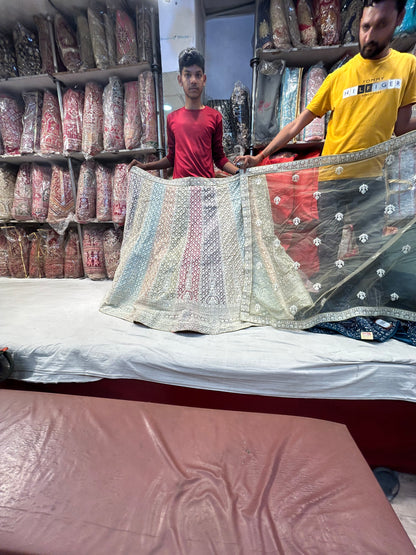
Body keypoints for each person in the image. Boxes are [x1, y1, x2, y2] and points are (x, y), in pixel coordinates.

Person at [237, 0, 416, 286]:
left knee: (371, 257)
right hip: (332, 179)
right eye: (365, 27)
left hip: (370, 180)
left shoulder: (407, 66)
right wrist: (261, 157)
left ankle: (367, 317)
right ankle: (331, 314)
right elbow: (298, 123)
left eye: (381, 25)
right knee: (329, 256)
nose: (370, 35)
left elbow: (401, 126)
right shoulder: (339, 76)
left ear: (399, 18)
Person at [129, 47, 239, 178]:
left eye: (198, 75)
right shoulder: (172, 118)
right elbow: (171, 158)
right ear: (180, 80)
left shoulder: (215, 117)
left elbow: (219, 158)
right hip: (179, 193)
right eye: (187, 74)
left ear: (204, 80)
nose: (193, 80)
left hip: (206, 191)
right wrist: (145, 167)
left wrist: (240, 173)